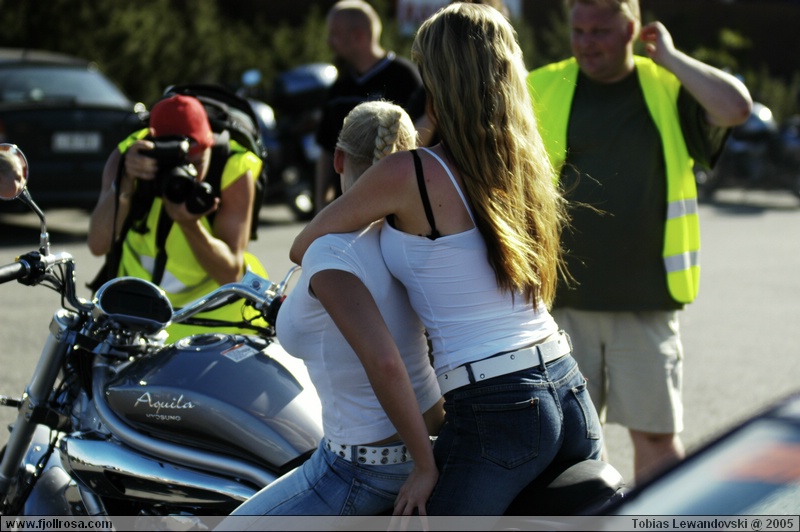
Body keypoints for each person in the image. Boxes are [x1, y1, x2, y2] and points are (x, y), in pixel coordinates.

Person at [291, 3, 603, 516]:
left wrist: (424, 465)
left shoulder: (409, 173)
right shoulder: (522, 162)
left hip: (497, 406)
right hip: (566, 384)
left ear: (437, 79)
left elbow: (304, 244)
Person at [526, 0, 752, 483]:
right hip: (561, 304)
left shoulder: (666, 84)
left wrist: (669, 56)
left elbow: (735, 108)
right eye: (579, 31)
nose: (587, 43)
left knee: (655, 439)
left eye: (600, 31)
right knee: (570, 446)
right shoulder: (542, 85)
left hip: (645, 303)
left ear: (632, 29)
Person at [226, 101, 443, 521]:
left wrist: (423, 465)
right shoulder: (409, 238)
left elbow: (386, 362)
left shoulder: (330, 251)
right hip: (429, 434)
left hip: (362, 466)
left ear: (338, 159)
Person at [87, 94, 267, 340]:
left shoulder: (232, 167)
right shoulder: (132, 156)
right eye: (175, 164)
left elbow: (230, 275)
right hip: (137, 316)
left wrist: (190, 225)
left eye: (197, 162)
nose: (187, 173)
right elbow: (97, 245)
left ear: (210, 144)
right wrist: (125, 185)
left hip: (213, 319)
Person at [313, 0, 423, 214]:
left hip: (396, 209)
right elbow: (327, 148)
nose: (329, 41)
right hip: (347, 210)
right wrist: (321, 204)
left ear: (358, 35)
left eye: (334, 34)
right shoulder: (340, 86)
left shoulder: (404, 78)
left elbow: (421, 142)